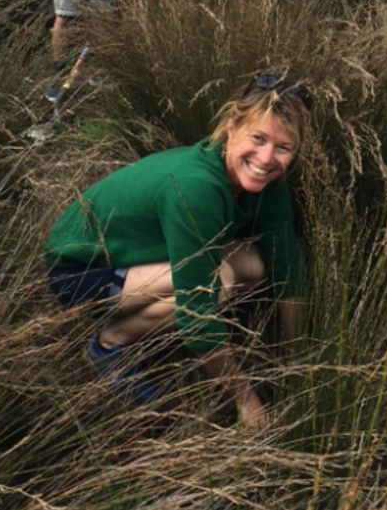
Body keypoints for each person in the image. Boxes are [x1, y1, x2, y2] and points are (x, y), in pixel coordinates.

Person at [44, 75, 312, 427]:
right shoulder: (196, 187)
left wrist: (297, 359)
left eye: (283, 147)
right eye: (258, 139)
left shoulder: (267, 182)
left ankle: (157, 334)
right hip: (80, 268)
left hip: (141, 262)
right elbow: (196, 314)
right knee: (218, 284)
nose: (266, 158)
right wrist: (247, 402)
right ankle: (110, 345)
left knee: (254, 265)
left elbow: (285, 265)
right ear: (231, 128)